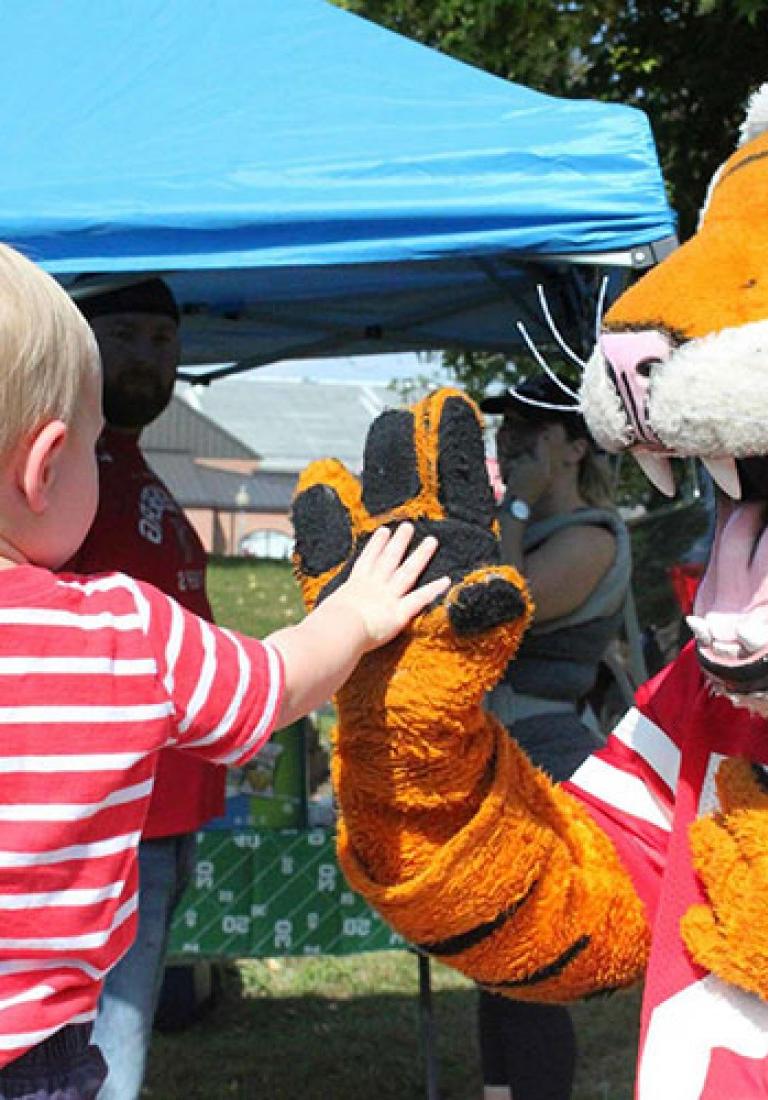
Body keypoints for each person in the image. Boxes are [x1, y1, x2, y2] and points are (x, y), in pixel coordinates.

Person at [0, 242, 448, 1100]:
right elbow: (274, 680)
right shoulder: (118, 627)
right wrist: (352, 616)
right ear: (47, 464)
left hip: (171, 806)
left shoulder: (144, 485)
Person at [61, 277, 219, 1098]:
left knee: (115, 1034)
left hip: (165, 810)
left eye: (163, 341)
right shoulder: (58, 474)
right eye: (126, 336)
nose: (149, 359)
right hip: (110, 819)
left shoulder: (125, 466)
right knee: (103, 1051)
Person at [477, 374, 632, 1100]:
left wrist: (509, 499)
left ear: (573, 447)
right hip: (498, 745)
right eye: (507, 430)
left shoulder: (592, 537)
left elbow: (506, 603)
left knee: (528, 957)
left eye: (529, 431)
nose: (511, 442)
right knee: (492, 953)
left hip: (543, 748)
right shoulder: (528, 521)